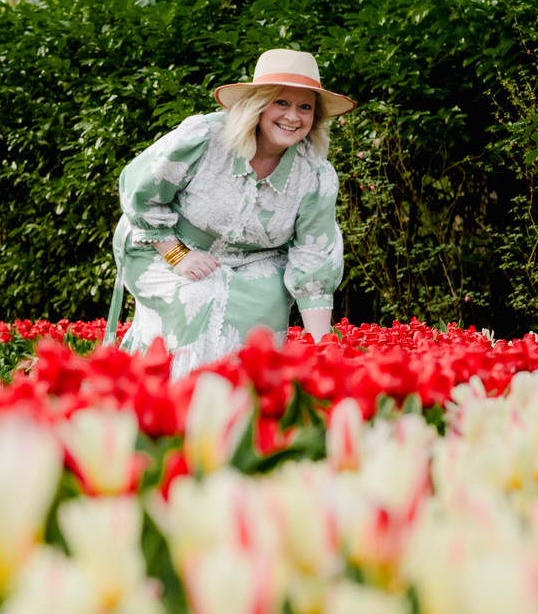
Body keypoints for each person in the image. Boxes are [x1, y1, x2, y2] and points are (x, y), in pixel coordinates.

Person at [107, 48, 356, 380]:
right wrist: (179, 255)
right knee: (195, 295)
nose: (293, 117)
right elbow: (141, 192)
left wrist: (322, 347)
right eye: (281, 102)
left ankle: (246, 411)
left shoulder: (315, 175)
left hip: (258, 259)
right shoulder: (205, 137)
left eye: (305, 107)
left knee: (262, 316)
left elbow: (314, 255)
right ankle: (168, 399)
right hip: (165, 243)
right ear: (257, 103)